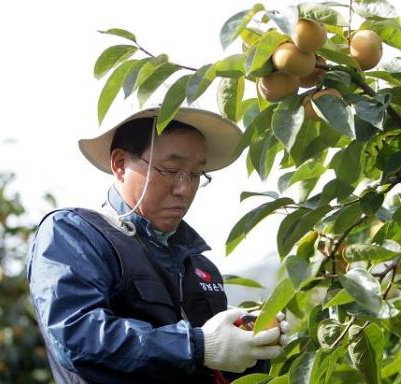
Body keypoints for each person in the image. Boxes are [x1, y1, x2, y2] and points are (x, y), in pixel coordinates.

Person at [26, 107, 290, 384]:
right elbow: (79, 337)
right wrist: (198, 346)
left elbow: (215, 365)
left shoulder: (199, 266)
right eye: (170, 170)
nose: (184, 189)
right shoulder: (76, 234)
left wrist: (252, 345)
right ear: (119, 164)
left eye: (197, 174)